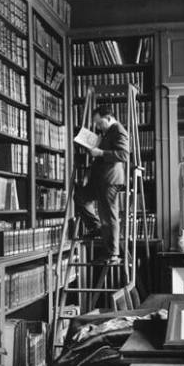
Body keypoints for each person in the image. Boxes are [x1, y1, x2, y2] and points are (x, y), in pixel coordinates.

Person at [74, 106, 129, 265]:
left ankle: (113, 254)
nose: (98, 126)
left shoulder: (118, 130)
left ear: (109, 118)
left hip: (110, 180)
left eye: (99, 123)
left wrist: (100, 153)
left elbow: (124, 154)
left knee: (109, 215)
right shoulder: (107, 132)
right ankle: (96, 228)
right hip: (98, 179)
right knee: (80, 197)